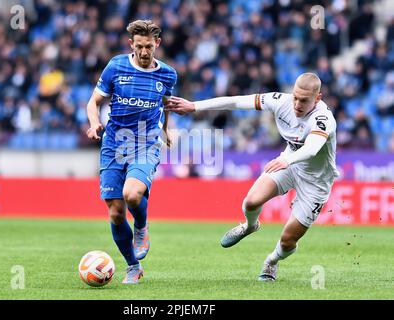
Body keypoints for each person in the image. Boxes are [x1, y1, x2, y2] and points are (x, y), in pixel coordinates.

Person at [165, 73, 338, 281]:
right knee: (251, 202)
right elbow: (237, 101)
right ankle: (249, 225)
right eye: (295, 97)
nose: (297, 104)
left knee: (288, 241)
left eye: (304, 100)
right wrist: (194, 106)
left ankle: (271, 261)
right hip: (289, 164)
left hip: (315, 182)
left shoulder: (324, 119)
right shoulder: (281, 102)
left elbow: (311, 149)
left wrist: (288, 160)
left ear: (317, 98)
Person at [85, 20, 177, 284]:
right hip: (114, 144)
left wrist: (166, 131)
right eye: (139, 46)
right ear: (131, 45)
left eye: (149, 46)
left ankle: (141, 226)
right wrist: (94, 123)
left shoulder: (168, 74)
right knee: (115, 211)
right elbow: (94, 101)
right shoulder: (116, 66)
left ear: (157, 44)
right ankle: (133, 266)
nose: (145, 52)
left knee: (132, 195)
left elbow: (166, 104)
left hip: (145, 143)